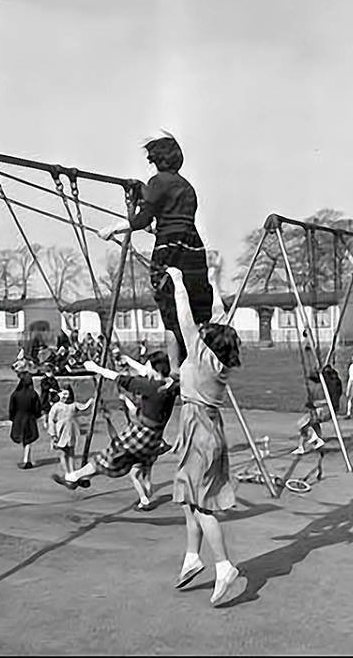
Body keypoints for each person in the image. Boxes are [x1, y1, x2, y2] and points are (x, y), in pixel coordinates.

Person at [98, 135, 213, 372]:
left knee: (170, 311)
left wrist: (113, 229)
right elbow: (175, 221)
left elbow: (141, 220)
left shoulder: (158, 182)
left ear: (157, 160)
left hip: (169, 251)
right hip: (194, 250)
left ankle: (174, 370)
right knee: (194, 308)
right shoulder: (187, 187)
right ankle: (198, 361)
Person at [167, 265, 243, 606]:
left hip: (198, 430)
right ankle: (191, 556)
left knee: (200, 504)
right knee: (188, 496)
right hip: (204, 427)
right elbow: (219, 316)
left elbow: (184, 318)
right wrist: (212, 282)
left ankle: (224, 565)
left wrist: (180, 283)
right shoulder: (218, 359)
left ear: (206, 343)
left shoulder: (200, 356)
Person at [60, 350, 180, 510]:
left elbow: (119, 378)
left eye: (149, 366)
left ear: (156, 370)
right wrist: (129, 360)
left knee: (108, 456)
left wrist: (96, 368)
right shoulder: (171, 385)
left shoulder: (148, 386)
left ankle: (74, 476)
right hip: (155, 438)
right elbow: (144, 371)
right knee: (129, 463)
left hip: (141, 432)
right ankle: (79, 476)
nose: (146, 369)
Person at [46, 385, 95, 478]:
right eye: (62, 394)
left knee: (71, 451)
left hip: (71, 430)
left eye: (66, 394)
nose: (64, 396)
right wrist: (53, 434)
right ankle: (66, 471)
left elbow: (84, 407)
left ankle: (72, 471)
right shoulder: (56, 406)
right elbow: (51, 420)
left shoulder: (73, 404)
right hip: (60, 431)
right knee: (63, 452)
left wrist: (92, 401)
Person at [9, 372, 42, 469]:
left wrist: (12, 418)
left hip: (18, 418)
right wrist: (36, 416)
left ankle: (26, 459)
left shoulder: (15, 394)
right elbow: (37, 408)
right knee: (28, 439)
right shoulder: (33, 394)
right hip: (29, 417)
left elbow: (12, 408)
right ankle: (26, 459)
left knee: (24, 438)